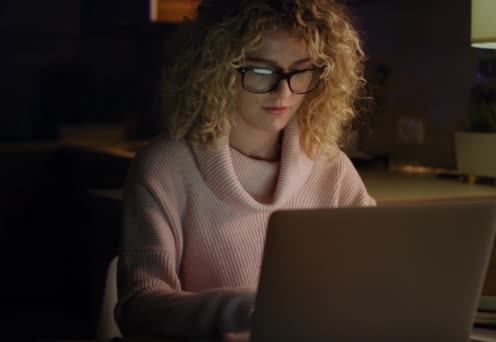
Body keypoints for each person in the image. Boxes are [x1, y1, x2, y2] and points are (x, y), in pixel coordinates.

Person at [115, 0, 376, 340]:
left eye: (300, 71)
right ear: (216, 70)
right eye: (262, 71)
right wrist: (255, 311)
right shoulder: (164, 167)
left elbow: (378, 274)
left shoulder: (331, 165)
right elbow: (139, 306)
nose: (283, 90)